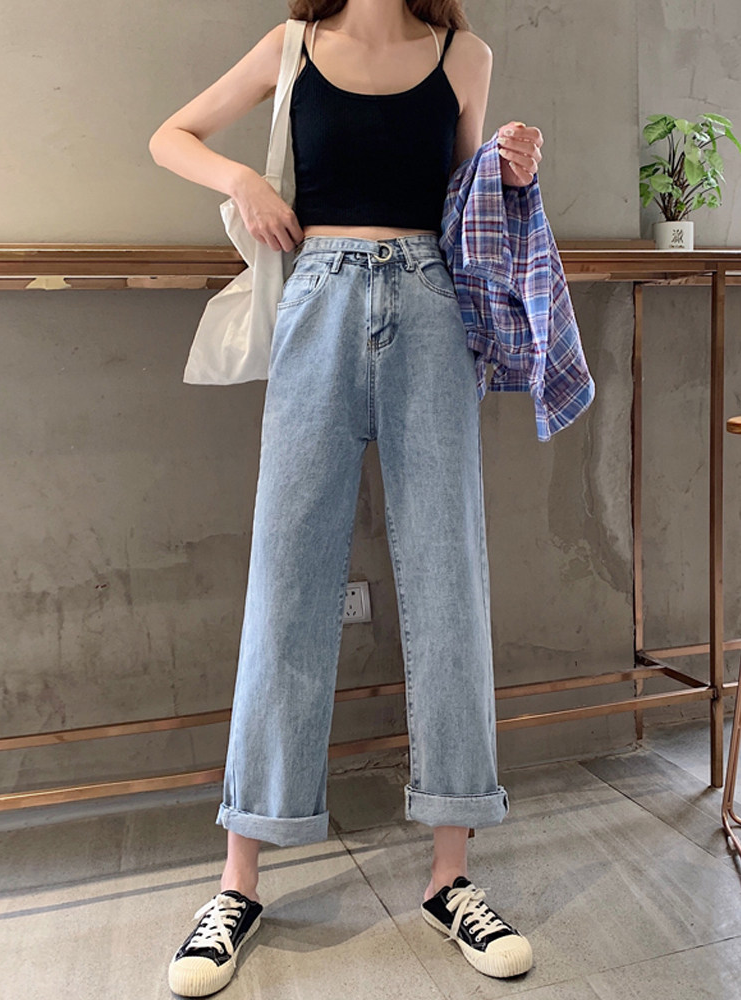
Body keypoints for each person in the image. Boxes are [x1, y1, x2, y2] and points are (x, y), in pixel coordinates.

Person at [149, 1, 543, 995]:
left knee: (449, 582)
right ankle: (237, 881)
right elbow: (171, 135)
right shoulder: (293, 47)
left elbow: (462, 206)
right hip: (317, 300)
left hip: (431, 307)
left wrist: (509, 176)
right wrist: (243, 179)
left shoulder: (464, 55)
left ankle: (451, 874)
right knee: (286, 582)